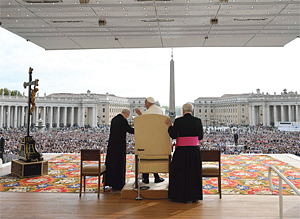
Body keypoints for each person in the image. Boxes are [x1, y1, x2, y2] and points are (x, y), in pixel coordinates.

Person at [165, 103, 204, 203]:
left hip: (181, 150)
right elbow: (200, 137)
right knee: (193, 172)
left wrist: (170, 126)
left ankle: (179, 196)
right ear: (192, 111)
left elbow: (173, 135)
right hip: (194, 150)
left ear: (183, 110)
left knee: (179, 171)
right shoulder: (198, 121)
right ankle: (194, 196)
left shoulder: (178, 121)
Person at [135, 97, 165, 184]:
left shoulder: (147, 112)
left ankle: (146, 178)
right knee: (155, 157)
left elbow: (145, 124)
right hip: (158, 139)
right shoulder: (160, 110)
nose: (145, 105)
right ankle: (156, 177)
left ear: (148, 103)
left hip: (147, 139)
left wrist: (140, 115)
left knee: (146, 157)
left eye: (145, 103)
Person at [104, 109, 134, 192]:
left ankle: (111, 183)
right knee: (119, 164)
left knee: (112, 163)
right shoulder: (123, 121)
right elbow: (130, 130)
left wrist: (130, 125)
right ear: (126, 114)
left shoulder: (114, 119)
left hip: (112, 145)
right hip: (119, 146)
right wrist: (138, 129)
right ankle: (118, 184)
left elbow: (123, 128)